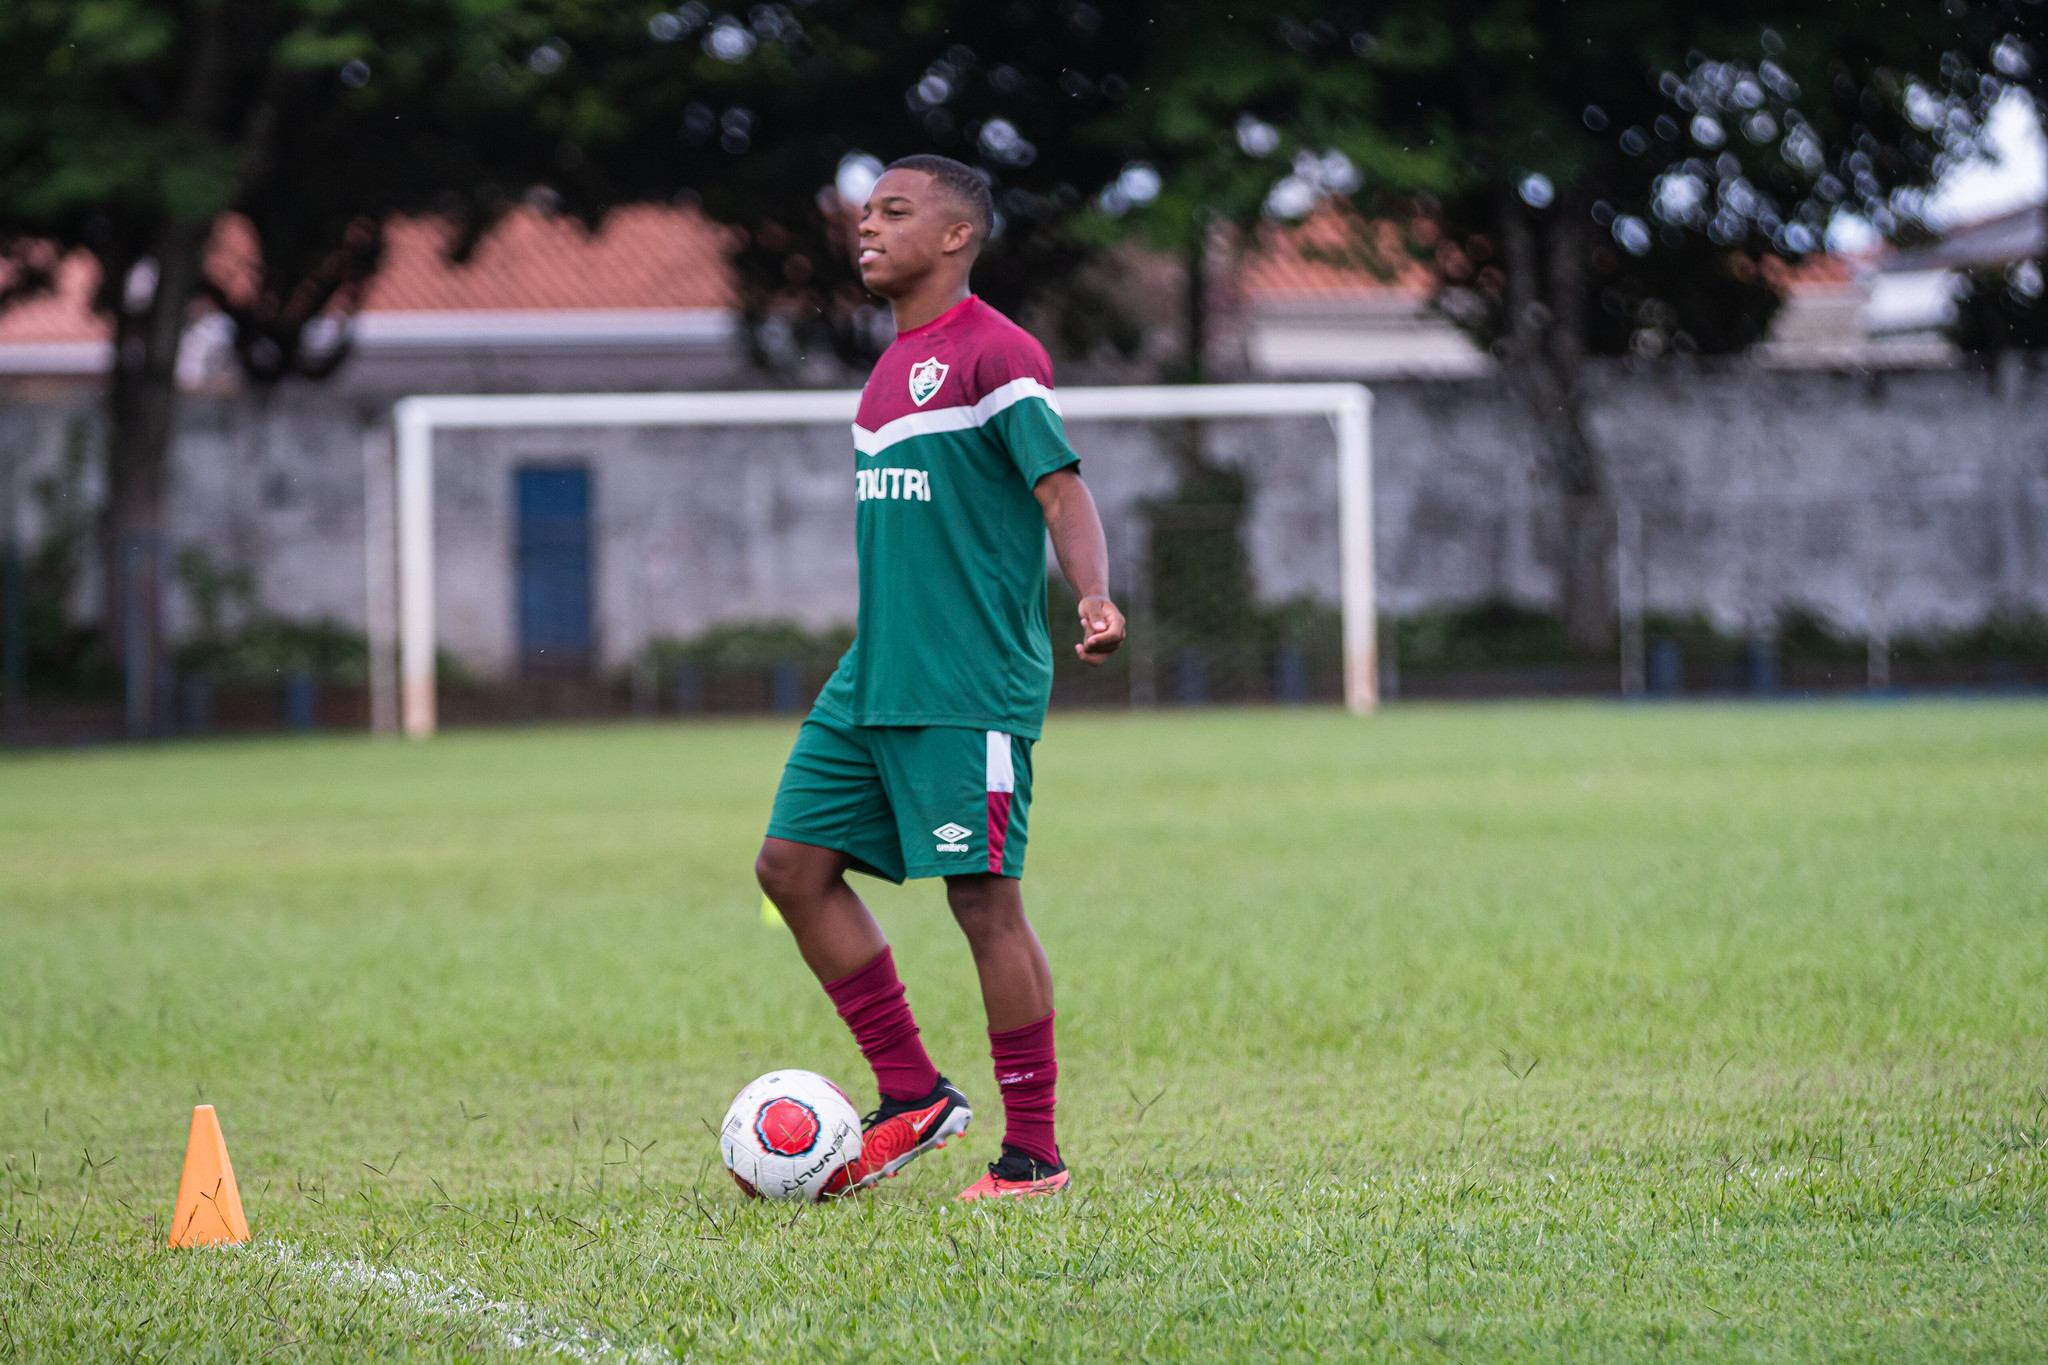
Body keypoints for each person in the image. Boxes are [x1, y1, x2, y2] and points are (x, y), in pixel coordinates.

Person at [753, 154, 1126, 1201]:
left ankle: (1033, 1155)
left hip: (968, 683)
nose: (866, 226)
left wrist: (1094, 595)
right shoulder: (886, 369)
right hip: (873, 674)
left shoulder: (997, 352)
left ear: (956, 236)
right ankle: (913, 1093)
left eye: (894, 211)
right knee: (790, 867)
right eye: (864, 211)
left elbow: (1061, 492)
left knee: (983, 902)